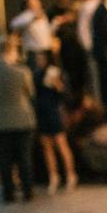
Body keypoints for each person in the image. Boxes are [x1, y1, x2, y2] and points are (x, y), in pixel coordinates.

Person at [0, 37, 38, 203]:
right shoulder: (22, 72)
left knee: (4, 159)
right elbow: (30, 93)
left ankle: (8, 192)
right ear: (11, 51)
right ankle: (27, 191)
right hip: (22, 117)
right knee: (24, 157)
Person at [32, 51, 78, 195]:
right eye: (38, 58)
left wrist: (58, 85)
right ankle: (53, 176)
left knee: (61, 144)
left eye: (41, 58)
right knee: (47, 146)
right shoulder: (37, 75)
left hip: (54, 111)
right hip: (42, 112)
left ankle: (70, 174)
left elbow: (66, 95)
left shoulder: (58, 73)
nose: (39, 61)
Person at [9, 0, 53, 67]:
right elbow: (13, 24)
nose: (37, 3)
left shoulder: (43, 15)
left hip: (47, 51)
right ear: (27, 4)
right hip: (34, 52)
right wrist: (33, 19)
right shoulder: (26, 15)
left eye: (37, 1)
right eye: (33, 1)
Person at [76, 0, 101, 101]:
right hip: (92, 44)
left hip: (103, 45)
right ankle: (96, 102)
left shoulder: (103, 4)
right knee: (93, 74)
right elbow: (82, 27)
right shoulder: (86, 6)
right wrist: (86, 44)